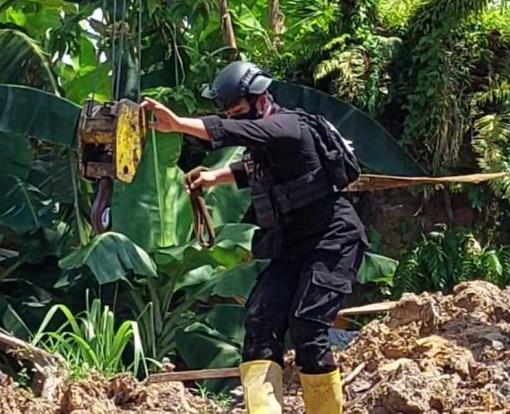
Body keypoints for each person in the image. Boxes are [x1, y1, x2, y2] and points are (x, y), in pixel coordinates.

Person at [141, 61, 364, 414]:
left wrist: (178, 124)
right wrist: (214, 178)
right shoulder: (269, 139)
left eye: (240, 111)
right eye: (229, 113)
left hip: (333, 239)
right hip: (292, 246)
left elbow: (239, 134)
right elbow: (254, 167)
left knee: (307, 328)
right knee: (260, 323)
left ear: (261, 99)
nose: (236, 118)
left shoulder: (287, 126)